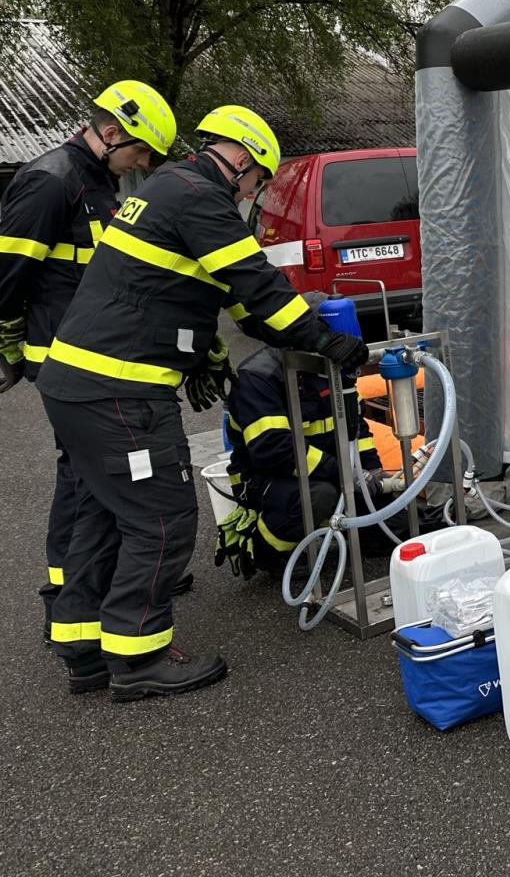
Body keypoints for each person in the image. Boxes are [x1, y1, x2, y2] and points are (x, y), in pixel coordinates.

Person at [36, 105, 369, 700]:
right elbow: (261, 289)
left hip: (76, 384)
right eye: (258, 179)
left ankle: (83, 651)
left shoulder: (167, 189)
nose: (253, 192)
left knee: (103, 514)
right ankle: (138, 658)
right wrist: (328, 342)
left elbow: (234, 305)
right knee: (160, 518)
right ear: (241, 158)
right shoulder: (201, 198)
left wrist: (212, 353)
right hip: (121, 392)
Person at [0, 82, 179, 638]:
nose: (142, 164)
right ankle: (67, 595)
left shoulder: (97, 181)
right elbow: (7, 275)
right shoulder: (51, 181)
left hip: (93, 352)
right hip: (61, 356)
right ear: (111, 132)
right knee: (82, 475)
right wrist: (7, 342)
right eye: (140, 151)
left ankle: (100, 579)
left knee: (93, 473)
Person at [216, 306, 402, 579]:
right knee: (318, 496)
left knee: (391, 528)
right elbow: (275, 450)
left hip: (329, 468)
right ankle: (267, 550)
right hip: (267, 477)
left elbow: (357, 431)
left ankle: (341, 526)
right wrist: (346, 474)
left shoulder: (335, 365)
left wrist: (372, 471)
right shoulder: (258, 378)